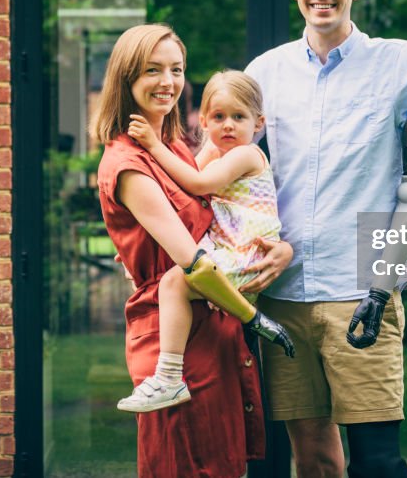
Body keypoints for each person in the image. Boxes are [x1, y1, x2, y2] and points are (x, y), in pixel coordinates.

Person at [244, 0, 407, 478]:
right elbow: (230, 180)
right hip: (282, 296)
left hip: (361, 294)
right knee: (309, 456)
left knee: (378, 462)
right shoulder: (262, 75)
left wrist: (382, 288)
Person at [94, 24, 294, 477]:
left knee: (222, 466)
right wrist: (252, 317)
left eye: (176, 69)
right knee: (181, 465)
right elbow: (192, 262)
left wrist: (281, 249)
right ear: (127, 77)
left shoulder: (175, 147)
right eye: (152, 69)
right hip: (178, 345)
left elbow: (220, 215)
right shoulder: (129, 161)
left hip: (213, 328)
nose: (167, 80)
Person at [118, 69, 295, 414]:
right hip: (226, 248)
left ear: (258, 123)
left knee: (174, 283)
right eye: (218, 116)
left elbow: (197, 184)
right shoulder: (215, 151)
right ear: (203, 120)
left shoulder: (246, 156)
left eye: (238, 117)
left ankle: (169, 377)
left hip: (247, 255)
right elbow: (179, 193)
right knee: (174, 271)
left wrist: (153, 145)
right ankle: (170, 375)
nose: (228, 125)